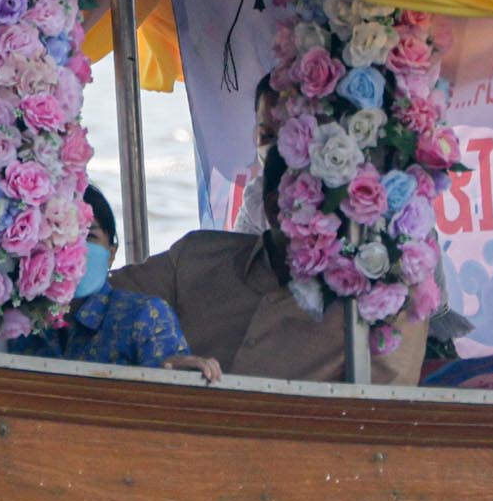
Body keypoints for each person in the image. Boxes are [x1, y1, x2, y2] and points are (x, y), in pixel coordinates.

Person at [113, 128, 427, 386]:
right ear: (276, 209)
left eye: (356, 210)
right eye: (330, 208)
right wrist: (154, 362)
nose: (346, 226)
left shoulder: (384, 307)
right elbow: (90, 308)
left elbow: (382, 426)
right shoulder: (194, 259)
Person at [9, 187, 220, 379]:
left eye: (89, 236)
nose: (75, 246)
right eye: (62, 233)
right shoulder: (16, 321)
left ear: (111, 253)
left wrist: (182, 370)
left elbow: (171, 374)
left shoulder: (143, 315)